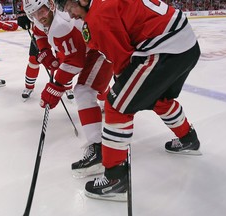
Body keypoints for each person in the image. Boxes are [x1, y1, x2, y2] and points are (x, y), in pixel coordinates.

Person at [54, 0, 202, 201]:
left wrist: (120, 92)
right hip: (186, 46)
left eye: (70, 7)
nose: (70, 15)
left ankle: (116, 180)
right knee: (160, 98)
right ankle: (188, 139)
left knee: (116, 107)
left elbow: (123, 62)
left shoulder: (98, 15)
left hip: (163, 51)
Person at [23, 0, 113, 177]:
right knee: (90, 89)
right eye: (34, 14)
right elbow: (39, 33)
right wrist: (45, 52)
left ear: (50, 6)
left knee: (84, 91)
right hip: (89, 47)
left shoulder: (60, 25)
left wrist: (55, 87)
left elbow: (75, 62)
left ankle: (100, 150)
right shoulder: (42, 20)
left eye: (42, 11)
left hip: (101, 48)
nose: (40, 17)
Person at [17, 9, 75, 101]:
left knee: (64, 60)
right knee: (34, 60)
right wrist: (23, 13)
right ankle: (29, 87)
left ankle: (68, 87)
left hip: (59, 26)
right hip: (40, 28)